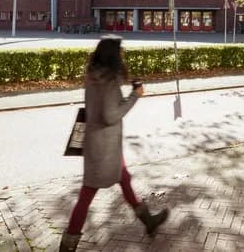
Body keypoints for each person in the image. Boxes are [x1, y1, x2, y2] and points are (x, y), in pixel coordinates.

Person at [60, 35, 168, 251]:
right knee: (87, 194)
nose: (123, 54)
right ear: (113, 54)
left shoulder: (93, 74)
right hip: (105, 148)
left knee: (124, 179)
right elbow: (111, 115)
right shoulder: (108, 82)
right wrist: (134, 96)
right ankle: (67, 245)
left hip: (98, 144)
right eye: (120, 50)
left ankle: (149, 221)